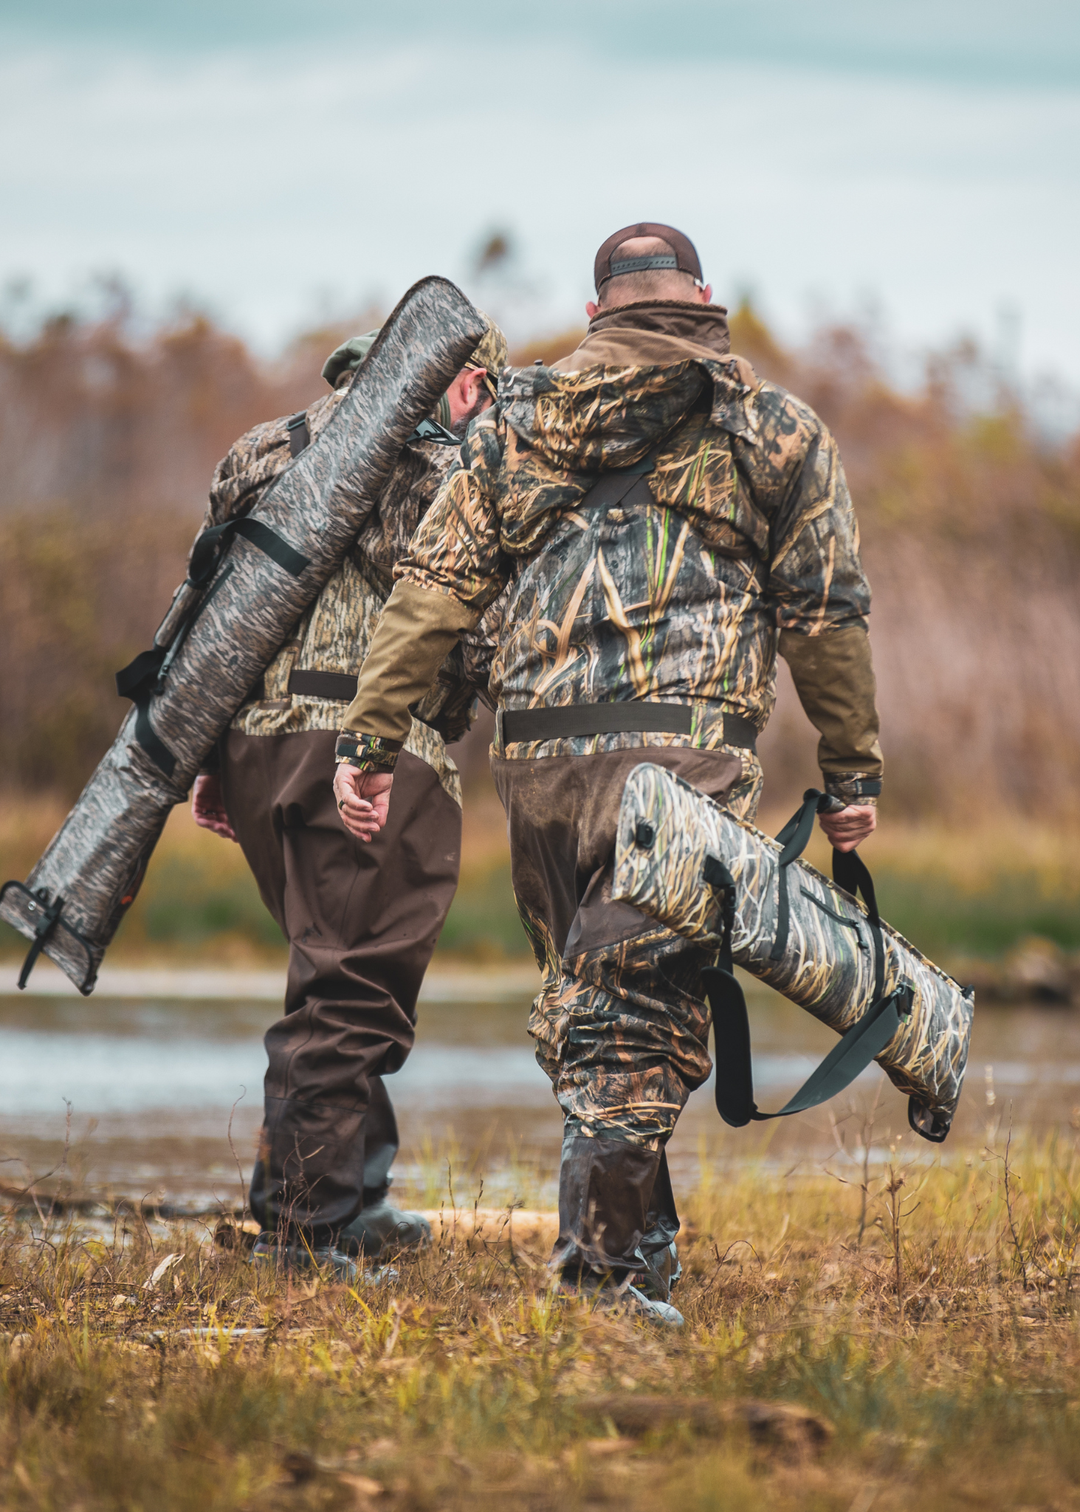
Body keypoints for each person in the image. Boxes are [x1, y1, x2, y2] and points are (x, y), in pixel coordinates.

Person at [332, 222, 882, 1323]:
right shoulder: (775, 429)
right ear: (706, 299)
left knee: (599, 1000)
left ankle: (646, 1250)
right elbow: (826, 617)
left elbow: (428, 597)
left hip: (539, 768)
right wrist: (853, 770)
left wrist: (369, 741)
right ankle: (601, 1283)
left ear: (595, 316)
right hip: (684, 757)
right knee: (630, 1016)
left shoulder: (514, 423)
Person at [192, 314, 508, 1279]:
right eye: (489, 396)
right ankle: (302, 1231)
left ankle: (357, 1197)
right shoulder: (450, 467)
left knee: (327, 968)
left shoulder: (264, 448)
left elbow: (207, 605)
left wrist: (207, 756)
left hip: (252, 748)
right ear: (464, 384)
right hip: (368, 753)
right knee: (351, 993)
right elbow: (478, 627)